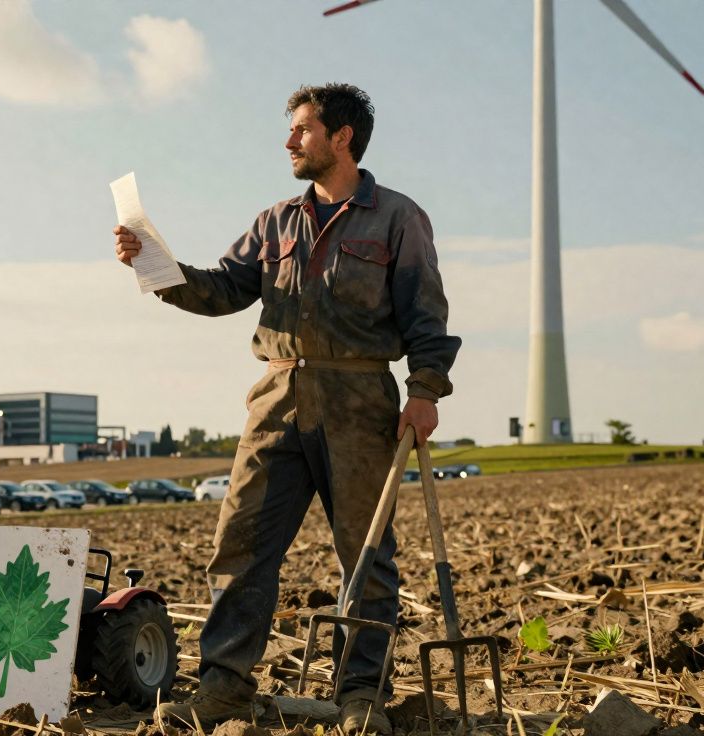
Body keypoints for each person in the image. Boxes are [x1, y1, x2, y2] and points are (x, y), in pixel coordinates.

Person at [112, 84, 460, 736]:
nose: (289, 142)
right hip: (276, 399)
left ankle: (360, 696)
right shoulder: (275, 221)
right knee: (239, 544)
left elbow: (425, 311)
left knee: (365, 557)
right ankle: (223, 690)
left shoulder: (396, 219)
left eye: (301, 130)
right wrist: (157, 268)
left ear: (342, 138)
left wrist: (424, 391)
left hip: (359, 403)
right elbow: (222, 289)